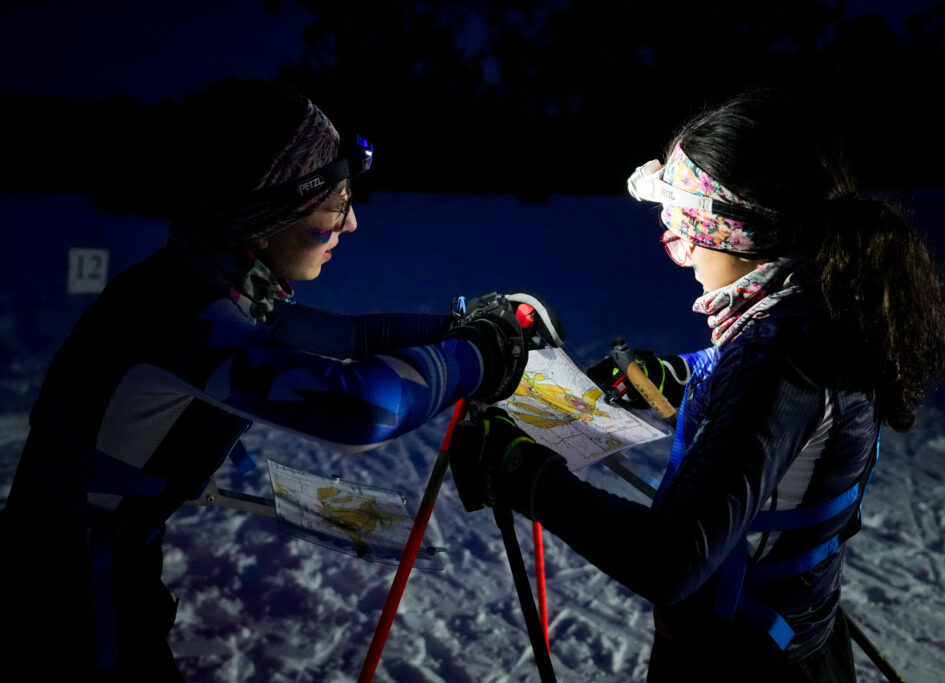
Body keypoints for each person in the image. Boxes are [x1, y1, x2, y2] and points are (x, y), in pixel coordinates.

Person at [0, 78, 562, 680]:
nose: (351, 224)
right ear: (267, 218)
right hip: (67, 597)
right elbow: (359, 410)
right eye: (338, 204)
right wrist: (479, 353)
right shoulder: (182, 316)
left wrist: (466, 324)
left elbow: (350, 338)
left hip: (88, 563)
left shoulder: (206, 280)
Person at [447, 87, 945, 682]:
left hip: (740, 665)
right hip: (792, 642)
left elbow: (670, 559)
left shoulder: (782, 363)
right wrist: (678, 374)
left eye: (679, 225)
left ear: (727, 230)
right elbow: (769, 396)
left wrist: (522, 472)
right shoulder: (827, 306)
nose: (680, 250)